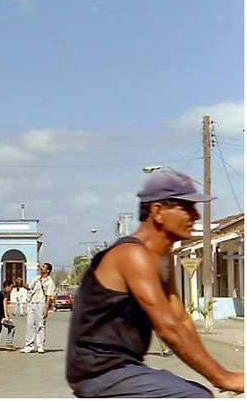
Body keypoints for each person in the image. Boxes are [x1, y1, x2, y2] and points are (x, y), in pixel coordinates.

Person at [66, 170, 244, 397]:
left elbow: (179, 319)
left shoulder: (162, 256)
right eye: (187, 207)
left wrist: (221, 374)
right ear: (158, 211)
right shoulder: (131, 255)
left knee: (198, 392)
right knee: (195, 397)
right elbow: (167, 327)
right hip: (99, 372)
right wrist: (223, 378)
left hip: (124, 366)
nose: (196, 216)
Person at [17, 262, 55, 354]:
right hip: (32, 303)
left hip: (41, 303)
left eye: (43, 267)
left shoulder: (49, 282)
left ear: (48, 270)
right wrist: (22, 282)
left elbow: (49, 296)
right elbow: (29, 287)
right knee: (30, 324)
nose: (41, 268)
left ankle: (40, 345)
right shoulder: (37, 278)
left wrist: (46, 309)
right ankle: (28, 346)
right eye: (41, 267)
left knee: (40, 325)